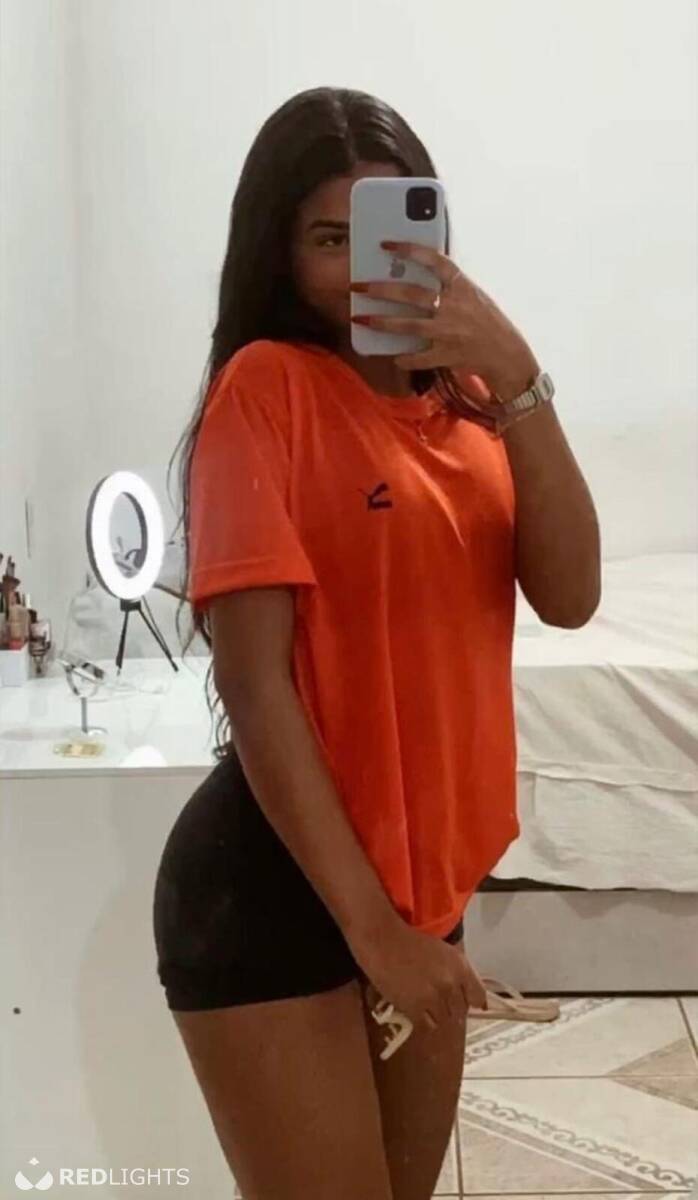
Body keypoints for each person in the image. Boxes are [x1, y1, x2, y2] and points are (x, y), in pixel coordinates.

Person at [152, 86, 527, 1200]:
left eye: (391, 230)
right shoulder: (265, 389)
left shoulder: (472, 398)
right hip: (277, 887)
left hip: (421, 897)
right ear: (279, 252)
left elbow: (571, 591)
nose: (365, 266)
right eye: (330, 237)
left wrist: (518, 373)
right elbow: (254, 682)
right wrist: (376, 938)